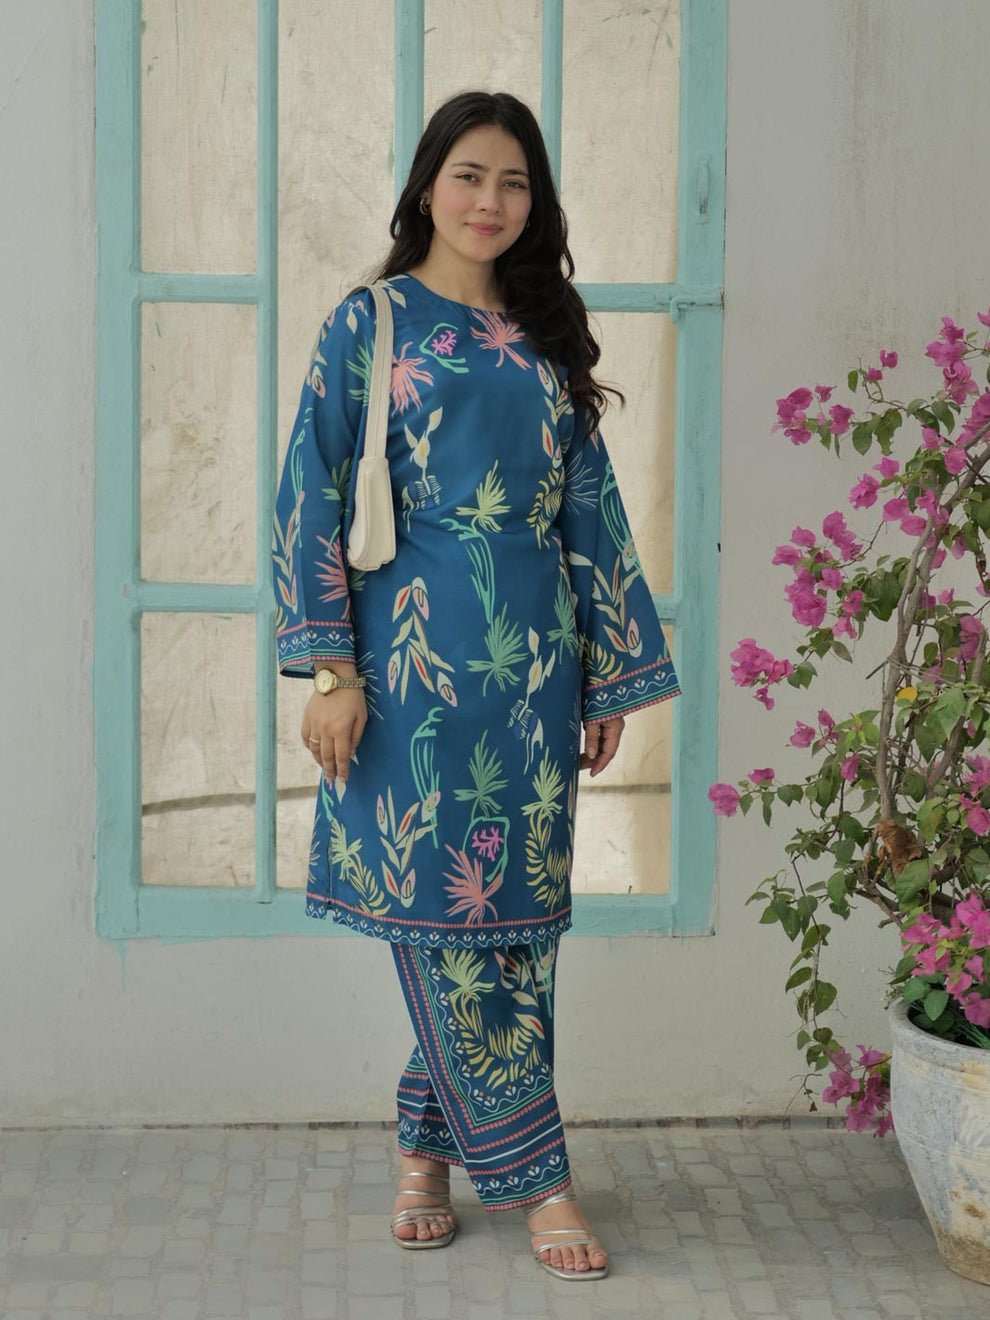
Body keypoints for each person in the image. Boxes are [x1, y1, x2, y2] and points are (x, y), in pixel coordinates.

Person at [272, 89, 680, 1281]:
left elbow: (590, 509)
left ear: (535, 201)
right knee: (447, 927)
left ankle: (424, 1148)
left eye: (513, 181)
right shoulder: (371, 321)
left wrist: (605, 675)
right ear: (426, 187)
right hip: (410, 668)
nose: (490, 201)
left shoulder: (546, 332)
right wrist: (332, 671)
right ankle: (542, 1180)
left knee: (515, 934)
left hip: (533, 672)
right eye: (468, 175)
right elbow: (309, 492)